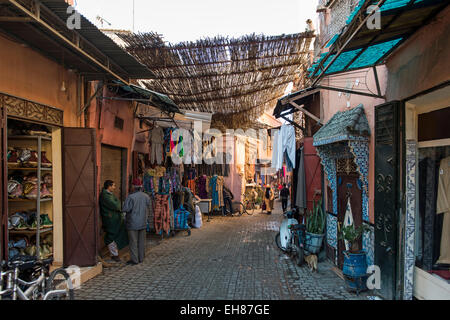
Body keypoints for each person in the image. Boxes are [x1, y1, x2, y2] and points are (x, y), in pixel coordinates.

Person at [123, 178, 151, 265]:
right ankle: (141, 258)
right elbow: (148, 207)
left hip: (132, 222)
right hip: (143, 222)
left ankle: (135, 260)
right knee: (142, 241)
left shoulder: (130, 197)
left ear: (133, 187)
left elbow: (126, 209)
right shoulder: (146, 196)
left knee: (133, 242)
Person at [99, 180, 129, 262]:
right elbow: (116, 205)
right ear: (109, 186)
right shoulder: (105, 196)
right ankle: (114, 254)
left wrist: (117, 203)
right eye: (113, 186)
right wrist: (117, 204)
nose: (115, 187)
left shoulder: (110, 195)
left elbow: (118, 204)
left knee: (116, 235)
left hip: (115, 219)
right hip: (110, 220)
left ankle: (115, 253)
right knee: (111, 236)